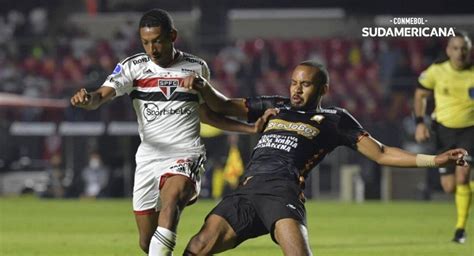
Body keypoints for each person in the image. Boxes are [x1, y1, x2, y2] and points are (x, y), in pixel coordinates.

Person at [179, 61, 469, 255]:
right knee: (199, 245)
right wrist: (203, 87)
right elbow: (223, 106)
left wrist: (435, 160)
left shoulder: (334, 119)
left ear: (322, 89)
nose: (296, 89)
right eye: (293, 82)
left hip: (282, 192)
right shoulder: (275, 106)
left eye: (304, 84)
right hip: (247, 190)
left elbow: (381, 153)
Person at [70, 9, 269, 255]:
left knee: (172, 200)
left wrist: (249, 129)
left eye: (157, 41)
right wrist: (87, 98)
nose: (152, 49)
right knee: (147, 242)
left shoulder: (196, 67)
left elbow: (207, 114)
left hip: (186, 153)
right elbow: (99, 96)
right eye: (146, 43)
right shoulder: (133, 67)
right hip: (148, 158)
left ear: (172, 36)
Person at [413, 31, 473, 243]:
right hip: (443, 132)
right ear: (448, 50)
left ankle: (460, 230)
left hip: (469, 130)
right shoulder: (437, 71)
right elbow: (420, 94)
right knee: (450, 187)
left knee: (463, 176)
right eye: (455, 48)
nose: (460, 53)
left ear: (470, 50)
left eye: (464, 48)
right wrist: (420, 123)